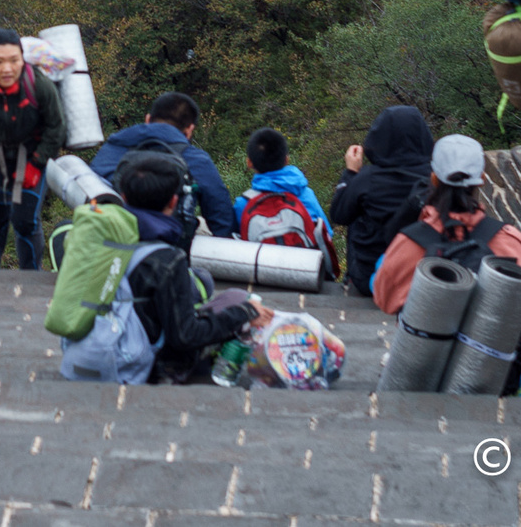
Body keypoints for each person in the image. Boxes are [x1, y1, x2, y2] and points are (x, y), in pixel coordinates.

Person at [372, 134, 521, 390]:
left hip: (421, 375)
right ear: (482, 179)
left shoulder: (409, 242)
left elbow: (385, 300)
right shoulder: (510, 239)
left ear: (433, 179)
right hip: (496, 379)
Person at [113, 149, 257, 383]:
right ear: (174, 201)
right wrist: (243, 313)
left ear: (123, 198)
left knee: (201, 281)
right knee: (238, 298)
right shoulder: (168, 259)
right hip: (141, 361)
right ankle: (175, 374)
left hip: (95, 351)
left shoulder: (99, 238)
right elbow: (185, 336)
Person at [0, 26, 68, 268]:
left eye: (14, 60)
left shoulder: (38, 85)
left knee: (25, 221)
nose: (7, 69)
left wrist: (38, 162)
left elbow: (56, 127)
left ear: (23, 59)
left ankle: (30, 275)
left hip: (31, 156)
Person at [328, 104, 434, 299]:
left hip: (370, 277)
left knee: (356, 215)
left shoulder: (367, 179)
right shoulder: (434, 180)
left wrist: (350, 172)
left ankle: (351, 280)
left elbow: (339, 215)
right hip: (420, 279)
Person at [91, 91, 233, 232]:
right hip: (170, 238)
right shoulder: (197, 160)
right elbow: (221, 218)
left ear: (148, 119)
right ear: (190, 129)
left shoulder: (113, 146)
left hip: (110, 233)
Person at [238, 124, 335, 268]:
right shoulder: (306, 195)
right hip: (306, 272)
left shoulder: (243, 204)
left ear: (249, 163)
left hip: (262, 275)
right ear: (286, 160)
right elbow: (327, 234)